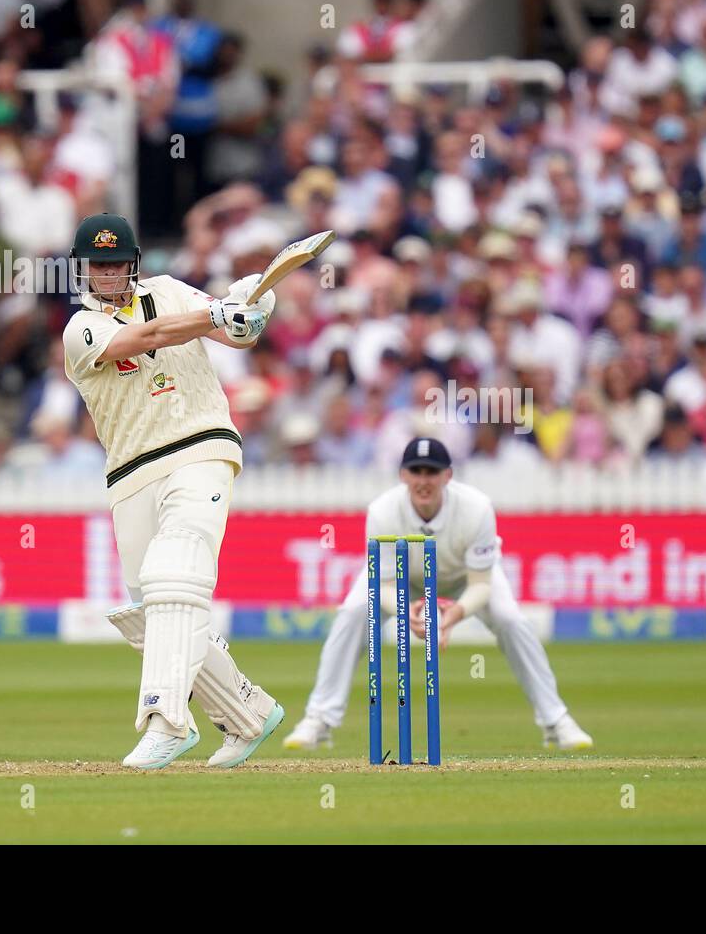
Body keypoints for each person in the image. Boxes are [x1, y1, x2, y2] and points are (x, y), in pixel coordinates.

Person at [60, 212, 285, 769]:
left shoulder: (170, 290)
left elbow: (236, 336)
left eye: (116, 264)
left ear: (132, 264)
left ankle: (167, 721)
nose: (108, 274)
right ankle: (248, 712)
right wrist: (214, 311)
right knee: (152, 609)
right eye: (98, 265)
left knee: (174, 575)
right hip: (131, 471)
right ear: (84, 271)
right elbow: (151, 335)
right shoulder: (80, 330)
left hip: (201, 446)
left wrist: (249, 313)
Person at [284, 437, 594, 752]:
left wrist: (453, 615)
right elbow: (385, 585)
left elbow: (481, 585)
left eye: (431, 472)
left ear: (448, 475)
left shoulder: (477, 509)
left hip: (464, 579)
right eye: (415, 471)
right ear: (403, 475)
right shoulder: (382, 511)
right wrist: (408, 612)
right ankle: (318, 719)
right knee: (352, 613)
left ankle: (557, 720)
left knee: (511, 619)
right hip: (401, 584)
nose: (423, 480)